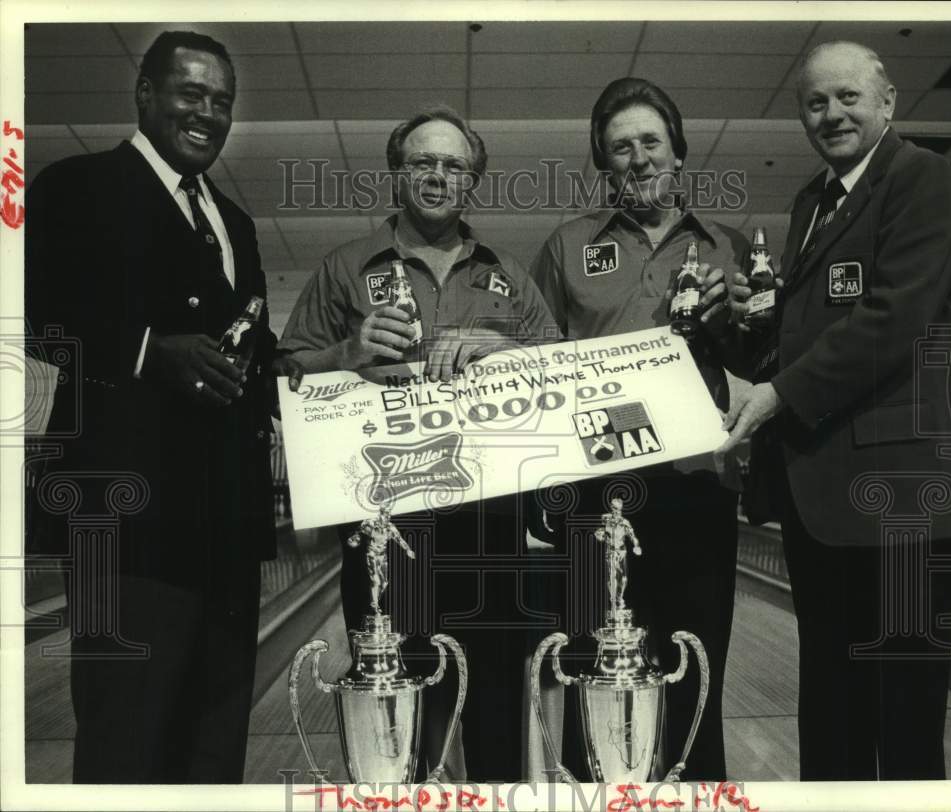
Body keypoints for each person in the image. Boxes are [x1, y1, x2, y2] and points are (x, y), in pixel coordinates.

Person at [25, 30, 299, 783]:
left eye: (222, 102)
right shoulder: (73, 187)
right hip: (124, 522)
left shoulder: (234, 223)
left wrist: (333, 369)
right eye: (190, 93)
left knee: (213, 747)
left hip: (229, 526)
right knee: (127, 739)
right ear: (145, 93)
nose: (207, 113)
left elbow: (251, 354)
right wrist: (150, 348)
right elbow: (38, 311)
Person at [276, 106, 558, 780]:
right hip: (383, 539)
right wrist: (346, 350)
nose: (438, 175)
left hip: (491, 532)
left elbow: (564, 372)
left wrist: (506, 347)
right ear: (397, 174)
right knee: (395, 723)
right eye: (423, 162)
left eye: (454, 165)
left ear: (473, 181)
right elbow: (283, 375)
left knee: (493, 711)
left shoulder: (510, 276)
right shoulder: (346, 268)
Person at [722, 41, 951, 780]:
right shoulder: (811, 203)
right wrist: (753, 324)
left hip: (902, 493)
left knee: (903, 708)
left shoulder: (922, 178)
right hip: (821, 494)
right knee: (831, 696)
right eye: (815, 101)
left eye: (848, 97)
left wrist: (775, 394)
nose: (830, 114)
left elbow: (893, 319)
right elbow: (813, 327)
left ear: (887, 100)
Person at [529, 77, 748, 781]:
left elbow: (758, 366)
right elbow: (537, 367)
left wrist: (737, 326)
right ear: (604, 164)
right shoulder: (567, 247)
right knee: (596, 674)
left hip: (697, 489)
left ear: (678, 154)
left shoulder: (729, 247)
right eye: (620, 147)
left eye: (651, 141)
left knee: (695, 670)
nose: (638, 158)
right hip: (597, 499)